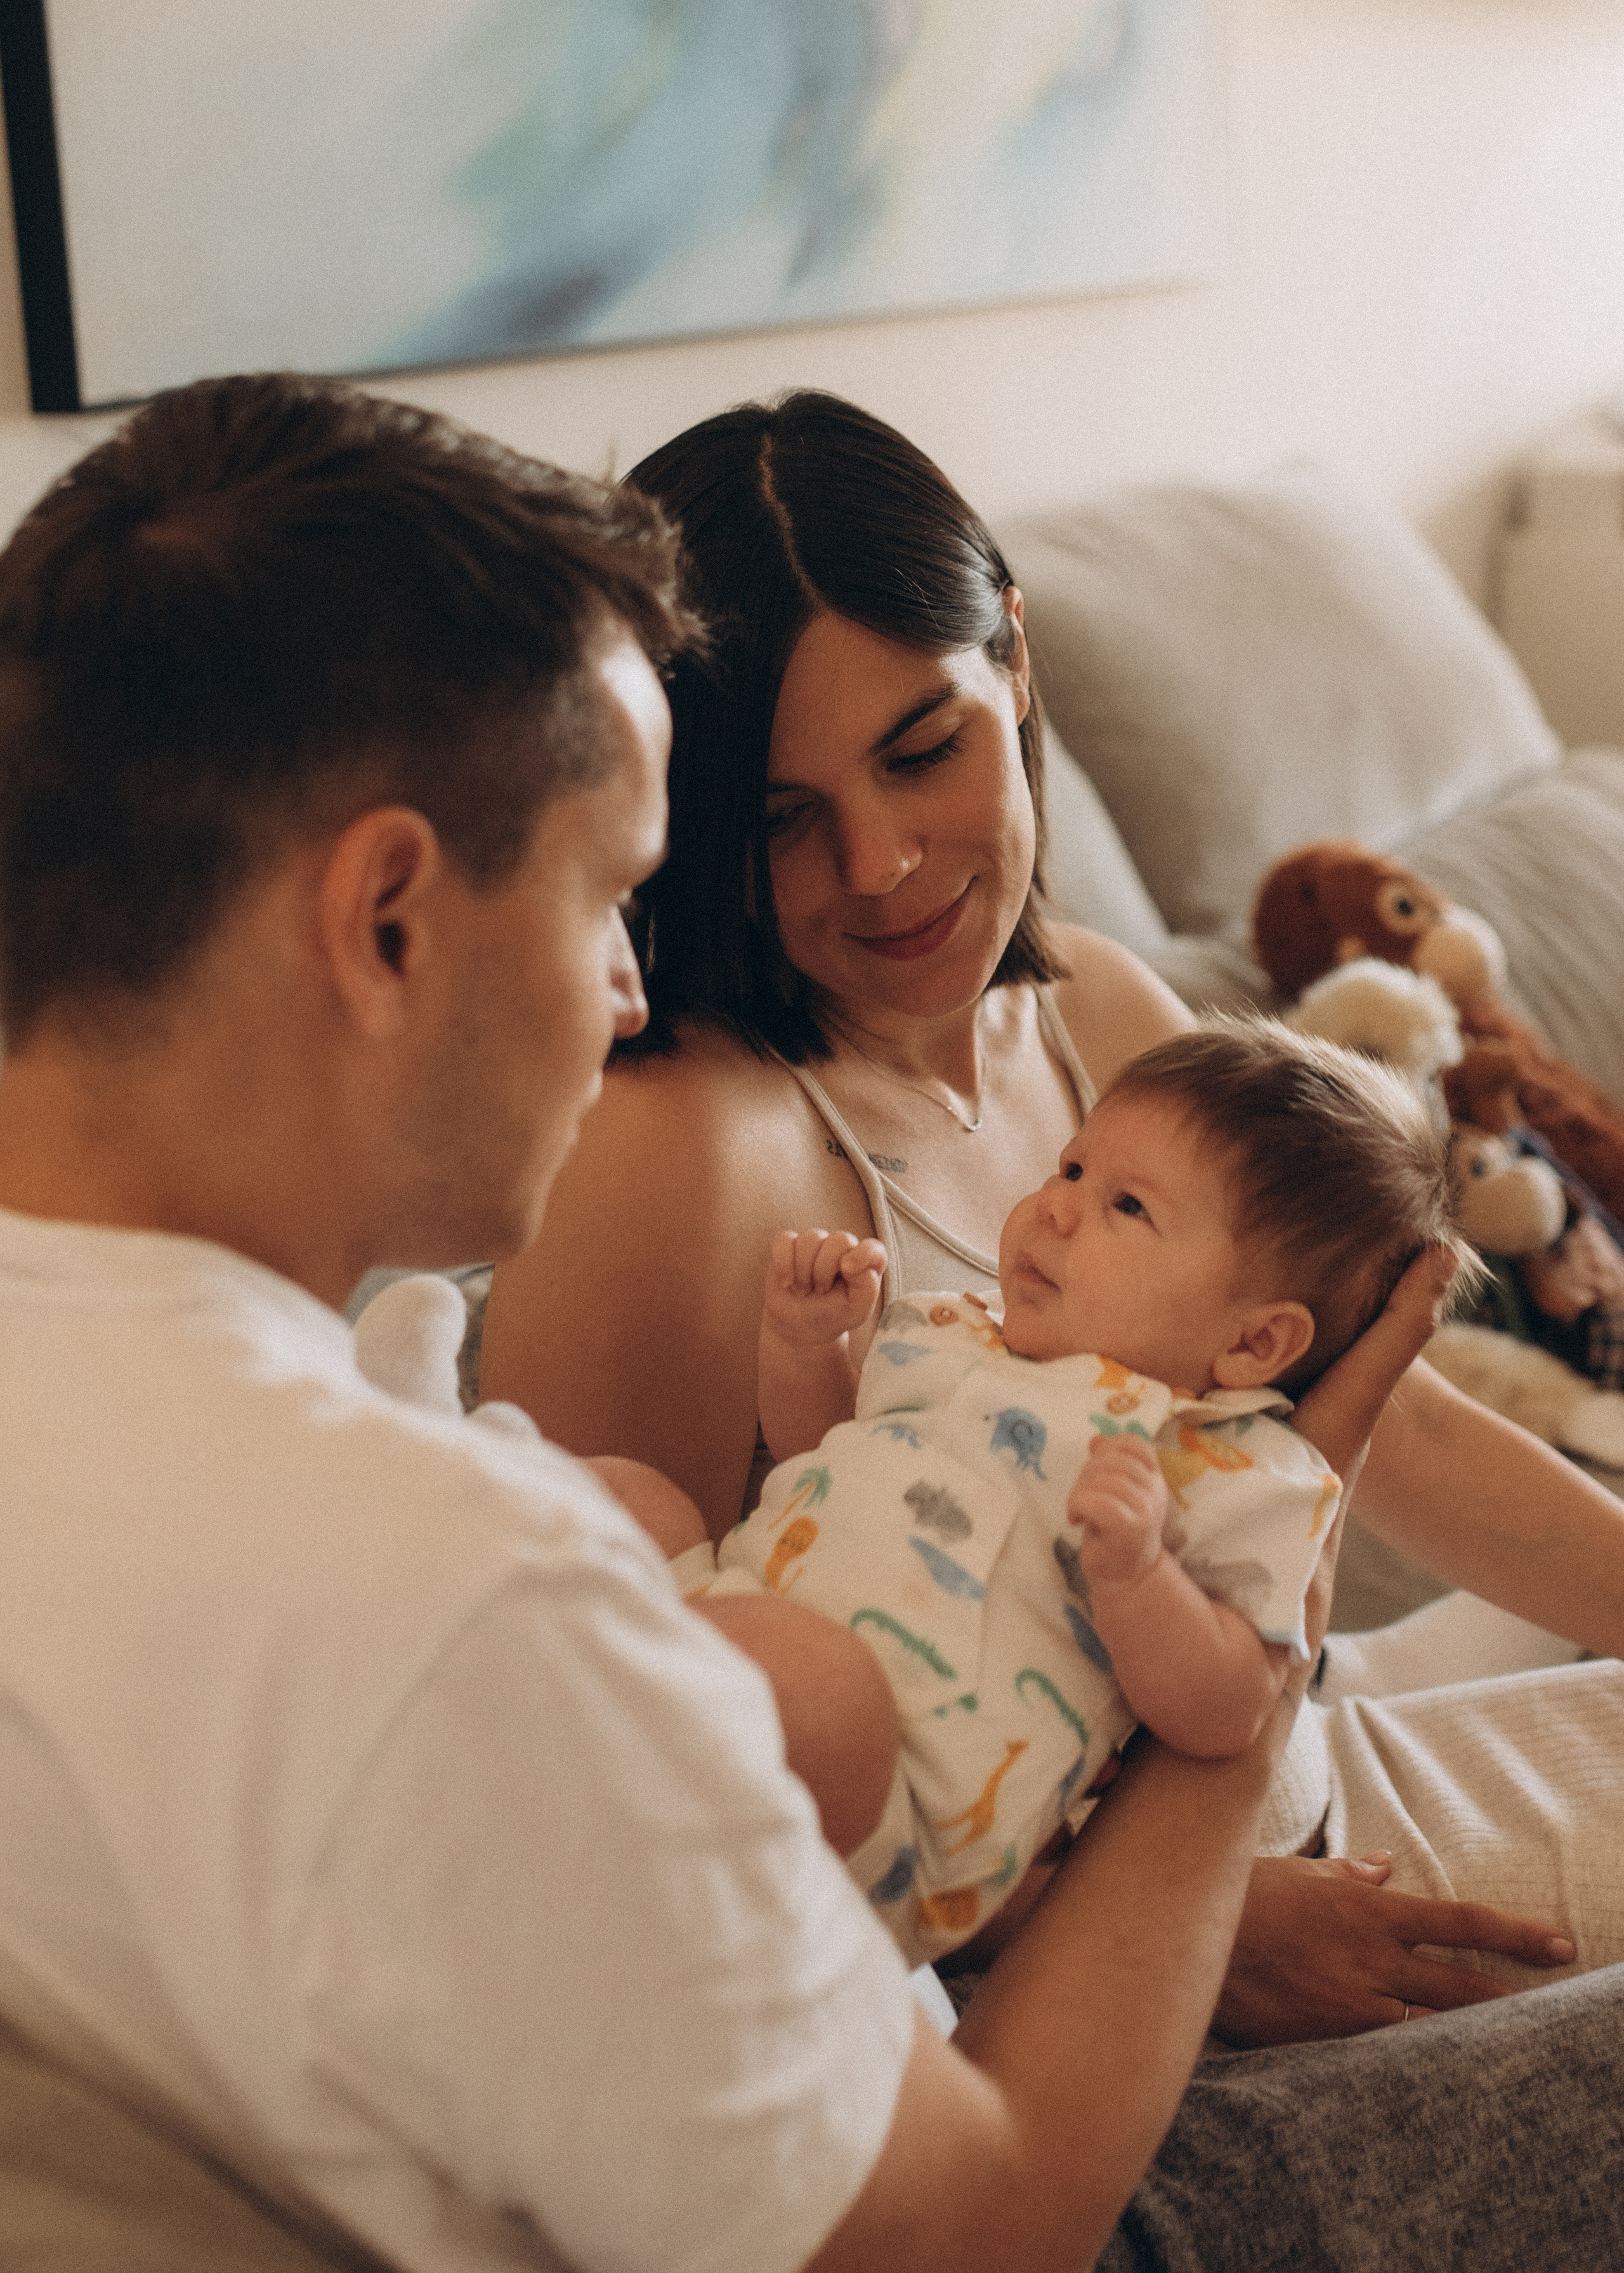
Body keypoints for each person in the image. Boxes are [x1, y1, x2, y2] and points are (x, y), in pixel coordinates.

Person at [3, 375, 1622, 2273]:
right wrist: (1270, 1566)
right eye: (615, 891)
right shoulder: (457, 1590)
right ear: (387, 915)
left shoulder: (227, 1428)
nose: (620, 988)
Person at [481, 386, 1624, 2042]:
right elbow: (630, 1745)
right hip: (1145, 1945)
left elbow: (1396, 1431)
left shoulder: (1092, 1003)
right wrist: (1179, 1930)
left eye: (921, 748)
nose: (879, 868)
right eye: (784, 818)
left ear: (1015, 661)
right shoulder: (676, 1153)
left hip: (1291, 1742)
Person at [669, 1022, 1462, 1969]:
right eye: (1072, 1168)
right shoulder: (956, 1334)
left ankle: (615, 1714)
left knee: (819, 1687)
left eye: (1127, 1205)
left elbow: (1233, 1709)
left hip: (893, 1807)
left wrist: (1139, 1576)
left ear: (1255, 1344)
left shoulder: (1227, 1464)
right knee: (628, 1499)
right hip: (748, 1631)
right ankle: (601, 1711)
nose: (1055, 1208)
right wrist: (806, 1348)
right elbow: (826, 1458)